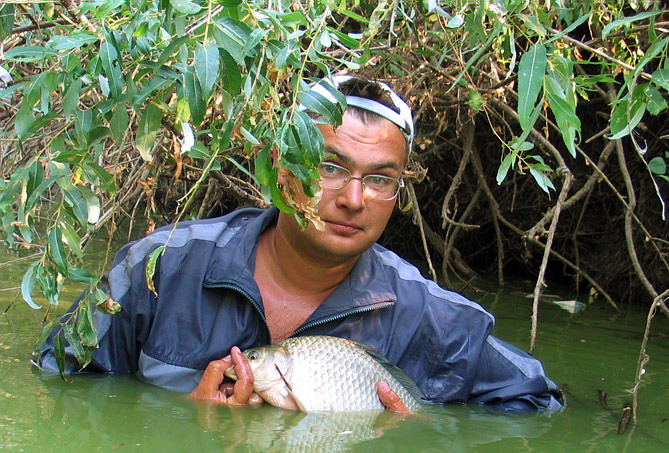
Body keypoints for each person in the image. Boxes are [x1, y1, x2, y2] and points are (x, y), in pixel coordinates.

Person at [39, 75, 563, 414]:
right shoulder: (160, 267)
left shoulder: (436, 320)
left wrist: (412, 445)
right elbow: (54, 380)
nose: (354, 199)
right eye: (329, 167)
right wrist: (182, 420)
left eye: (380, 179)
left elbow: (541, 405)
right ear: (282, 167)